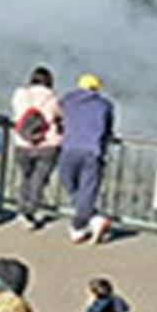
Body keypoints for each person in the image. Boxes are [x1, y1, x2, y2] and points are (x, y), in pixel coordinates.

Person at [57, 73, 116, 245]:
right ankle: (83, 222)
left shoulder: (67, 100)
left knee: (68, 183)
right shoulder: (105, 105)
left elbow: (59, 117)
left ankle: (85, 220)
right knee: (87, 190)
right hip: (92, 151)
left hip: (69, 148)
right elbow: (108, 128)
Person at [10, 66, 65, 225]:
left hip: (23, 143)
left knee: (26, 177)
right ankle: (30, 211)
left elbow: (17, 114)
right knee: (38, 180)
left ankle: (21, 209)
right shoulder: (53, 99)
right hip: (47, 145)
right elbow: (60, 117)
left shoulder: (20, 94)